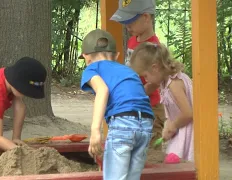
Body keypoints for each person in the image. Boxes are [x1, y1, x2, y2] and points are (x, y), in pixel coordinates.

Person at [80, 29, 154, 180]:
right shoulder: (127, 70)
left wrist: (95, 130)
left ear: (86, 57)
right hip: (146, 122)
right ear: (117, 56)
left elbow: (102, 90)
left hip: (123, 123)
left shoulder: (92, 68)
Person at [110, 0, 166, 145]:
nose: (127, 26)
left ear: (146, 17)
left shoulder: (153, 48)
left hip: (150, 106)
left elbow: (154, 83)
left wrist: (135, 95)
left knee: (149, 148)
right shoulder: (132, 41)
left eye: (131, 22)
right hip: (134, 105)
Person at [130, 42, 193, 162]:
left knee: (180, 165)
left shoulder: (174, 83)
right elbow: (172, 112)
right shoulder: (164, 84)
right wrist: (168, 125)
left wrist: (173, 126)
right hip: (181, 129)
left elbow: (188, 113)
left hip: (189, 132)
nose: (146, 80)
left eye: (145, 76)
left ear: (155, 67)